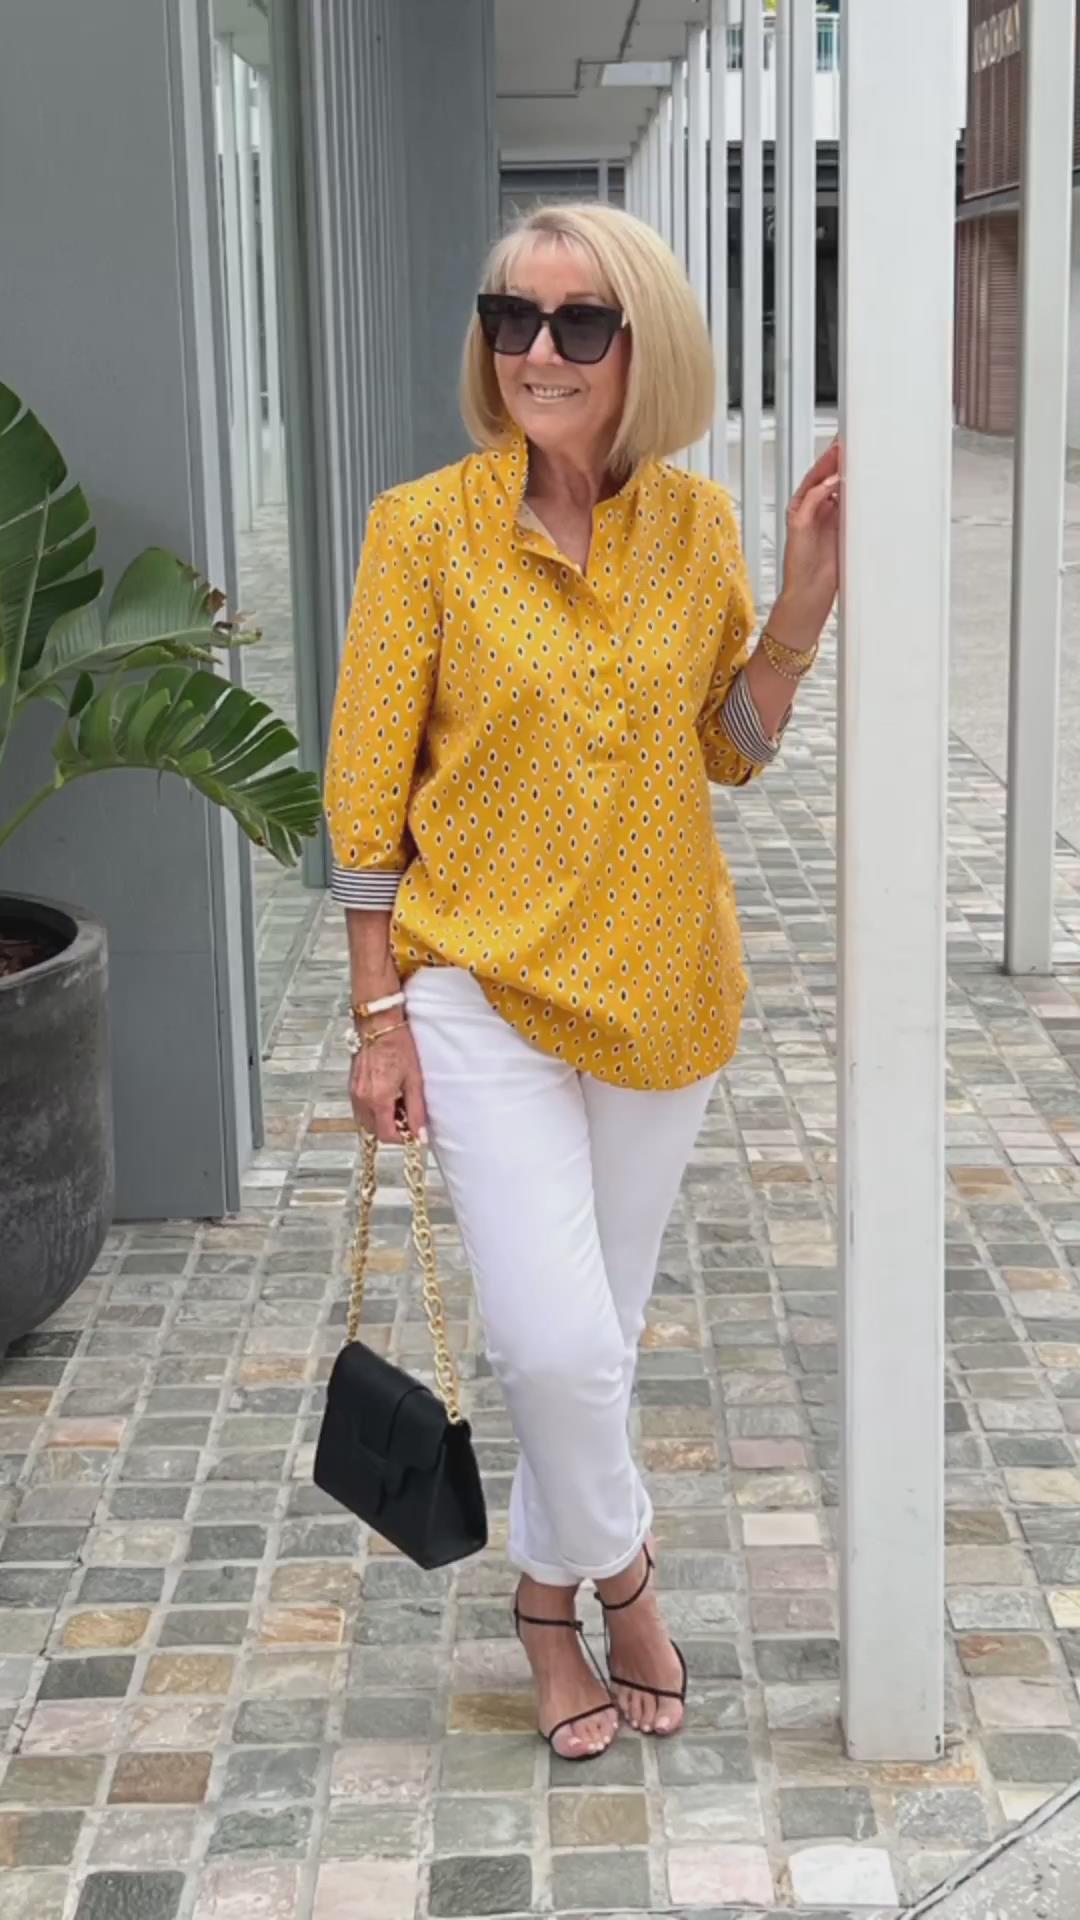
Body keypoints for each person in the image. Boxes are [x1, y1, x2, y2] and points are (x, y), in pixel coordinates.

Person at [326, 203, 839, 1761]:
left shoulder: (697, 527)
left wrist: (799, 612)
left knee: (593, 1346)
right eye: (511, 317)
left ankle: (540, 1606)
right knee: (553, 1345)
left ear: (643, 347)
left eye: (578, 324)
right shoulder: (424, 530)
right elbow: (365, 798)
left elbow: (725, 752)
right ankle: (623, 1581)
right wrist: (377, 1014)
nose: (535, 350)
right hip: (478, 987)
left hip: (663, 995)